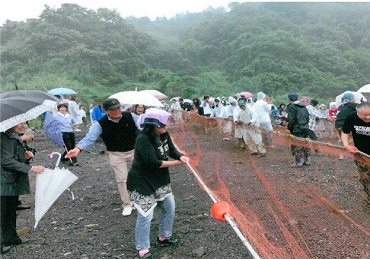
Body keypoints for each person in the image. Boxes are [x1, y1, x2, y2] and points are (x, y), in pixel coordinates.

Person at [127, 108, 190, 259]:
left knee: (169, 207)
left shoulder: (164, 134)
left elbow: (171, 150)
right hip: (142, 182)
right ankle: (143, 248)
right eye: (164, 124)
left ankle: (164, 237)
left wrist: (180, 157)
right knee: (146, 215)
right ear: (154, 125)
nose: (167, 126)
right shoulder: (143, 139)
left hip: (160, 180)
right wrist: (176, 163)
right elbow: (152, 163)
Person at [66, 98, 138, 216]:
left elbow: (144, 124)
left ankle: (145, 197)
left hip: (134, 151)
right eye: (113, 109)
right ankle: (127, 204)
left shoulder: (130, 116)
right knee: (122, 180)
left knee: (143, 173)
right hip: (116, 154)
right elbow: (90, 138)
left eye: (118, 108)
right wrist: (78, 149)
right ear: (105, 111)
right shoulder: (100, 124)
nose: (117, 111)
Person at [1, 122, 45, 254]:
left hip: (10, 180)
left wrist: (24, 155)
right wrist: (30, 168)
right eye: (19, 123)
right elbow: (6, 161)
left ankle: (11, 238)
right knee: (2, 212)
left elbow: (11, 156)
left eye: (25, 123)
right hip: (3, 180)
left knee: (10, 210)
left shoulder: (11, 135)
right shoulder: (4, 137)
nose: (23, 126)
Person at [341, 102, 370, 203]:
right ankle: (368, 195)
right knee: (365, 176)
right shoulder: (351, 117)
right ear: (358, 113)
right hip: (360, 154)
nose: (368, 117)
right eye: (365, 115)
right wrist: (346, 145)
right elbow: (345, 132)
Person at [286, 93, 311, 167]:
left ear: (289, 99)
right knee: (305, 143)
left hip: (297, 128)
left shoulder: (291, 107)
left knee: (297, 145)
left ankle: (299, 162)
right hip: (305, 127)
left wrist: (288, 128)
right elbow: (307, 117)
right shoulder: (303, 106)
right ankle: (307, 161)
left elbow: (291, 120)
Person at [335, 92, 357, 159]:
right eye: (354, 98)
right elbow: (361, 109)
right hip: (346, 125)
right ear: (351, 99)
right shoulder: (352, 105)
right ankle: (354, 154)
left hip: (338, 125)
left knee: (342, 139)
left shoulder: (340, 106)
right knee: (353, 139)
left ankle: (341, 155)